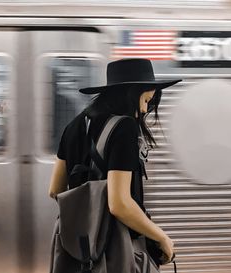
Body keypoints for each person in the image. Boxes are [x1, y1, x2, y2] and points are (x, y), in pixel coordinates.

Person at [48, 58, 182, 266]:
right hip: (116, 251)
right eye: (146, 101)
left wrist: (89, 218)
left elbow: (56, 191)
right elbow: (119, 203)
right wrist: (161, 237)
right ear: (132, 92)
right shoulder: (124, 127)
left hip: (77, 253)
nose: (146, 111)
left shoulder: (73, 126)